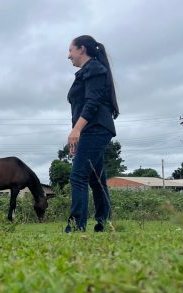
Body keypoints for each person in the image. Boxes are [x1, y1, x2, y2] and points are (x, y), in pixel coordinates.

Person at [65, 35, 119, 233]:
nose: (68, 55)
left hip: (95, 128)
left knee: (78, 176)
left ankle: (75, 226)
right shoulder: (86, 72)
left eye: (70, 50)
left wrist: (76, 130)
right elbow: (82, 106)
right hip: (91, 129)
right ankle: (103, 223)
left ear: (81, 49)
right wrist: (77, 135)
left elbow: (92, 102)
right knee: (96, 179)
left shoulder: (95, 69)